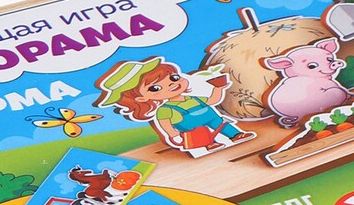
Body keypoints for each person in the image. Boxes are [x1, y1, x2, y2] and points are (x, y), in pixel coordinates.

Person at [94, 57, 255, 157]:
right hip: (190, 126)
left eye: (174, 78)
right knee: (199, 135)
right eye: (155, 88)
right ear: (142, 98)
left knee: (221, 124)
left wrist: (218, 88)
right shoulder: (165, 109)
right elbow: (165, 123)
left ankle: (235, 135)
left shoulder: (192, 97)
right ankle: (208, 144)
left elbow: (212, 100)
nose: (171, 85)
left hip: (212, 118)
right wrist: (172, 134)